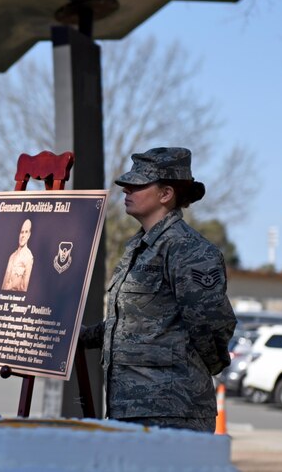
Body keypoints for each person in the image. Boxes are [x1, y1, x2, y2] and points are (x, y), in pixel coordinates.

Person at [79, 147, 237, 432]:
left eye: (138, 185)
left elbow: (212, 324)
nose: (126, 189)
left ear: (166, 194)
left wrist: (197, 369)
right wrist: (79, 337)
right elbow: (130, 323)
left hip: (172, 411)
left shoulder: (188, 249)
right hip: (131, 408)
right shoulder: (140, 247)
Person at [1, 218, 34, 291]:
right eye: (22, 232)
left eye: (26, 232)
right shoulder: (12, 256)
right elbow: (4, 284)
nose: (23, 235)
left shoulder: (29, 257)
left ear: (29, 235)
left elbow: (25, 288)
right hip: (3, 296)